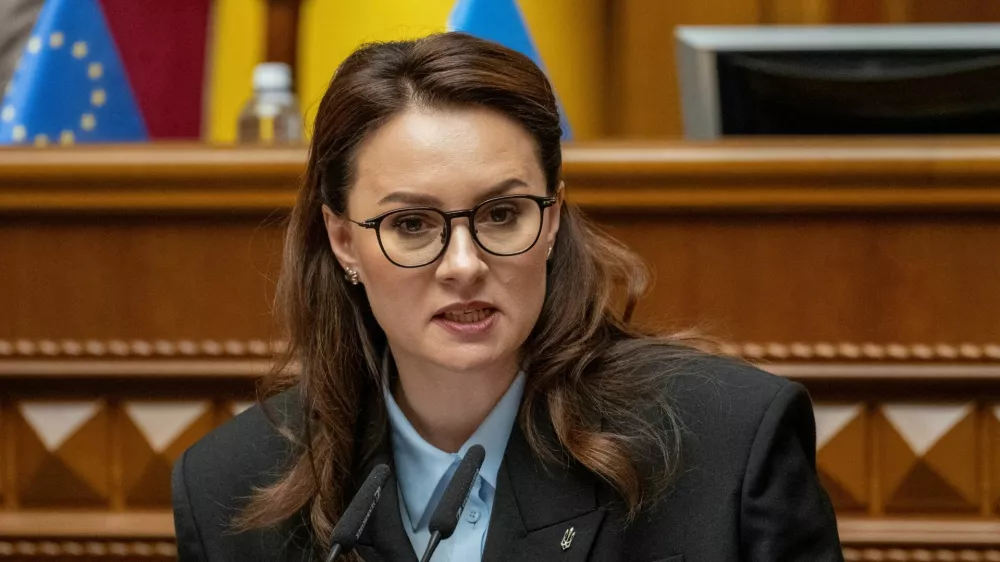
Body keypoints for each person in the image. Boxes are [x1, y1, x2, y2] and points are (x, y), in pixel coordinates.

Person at [172, 32, 843, 562]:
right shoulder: (229, 486)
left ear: (550, 221)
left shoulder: (727, 441)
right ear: (344, 241)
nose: (464, 266)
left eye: (501, 215)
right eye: (411, 225)